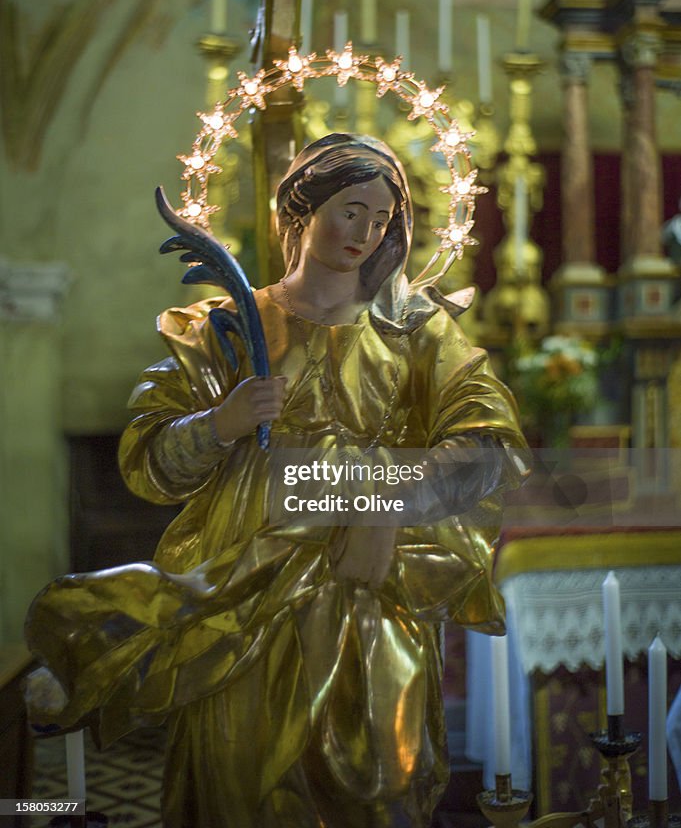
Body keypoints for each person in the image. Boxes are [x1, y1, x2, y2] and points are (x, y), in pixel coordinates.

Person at [25, 133, 527, 828]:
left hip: (368, 598)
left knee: (377, 782)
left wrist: (378, 499)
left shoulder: (416, 331)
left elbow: (490, 447)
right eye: (350, 210)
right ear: (299, 207)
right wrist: (219, 424)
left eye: (382, 219)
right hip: (238, 599)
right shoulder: (225, 329)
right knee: (240, 779)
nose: (366, 232)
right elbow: (147, 460)